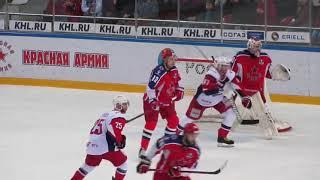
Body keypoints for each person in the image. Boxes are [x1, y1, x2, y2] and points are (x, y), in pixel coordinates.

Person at [178, 56, 245, 147]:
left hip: (218, 100)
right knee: (189, 118)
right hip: (202, 101)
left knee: (231, 113)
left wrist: (244, 97)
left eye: (226, 66)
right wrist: (220, 89)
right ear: (217, 65)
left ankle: (222, 137)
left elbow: (237, 85)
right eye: (222, 66)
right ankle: (176, 134)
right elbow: (207, 90)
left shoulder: (229, 73)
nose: (224, 69)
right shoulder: (211, 74)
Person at [231, 37, 291, 132]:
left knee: (264, 113)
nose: (258, 49)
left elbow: (268, 74)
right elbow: (231, 73)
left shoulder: (265, 58)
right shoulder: (240, 57)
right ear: (249, 46)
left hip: (258, 91)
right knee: (231, 101)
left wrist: (278, 74)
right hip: (243, 91)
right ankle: (228, 115)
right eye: (255, 46)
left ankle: (266, 122)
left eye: (259, 46)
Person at [70, 95, 129, 180]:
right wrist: (120, 141)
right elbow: (113, 131)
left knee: (87, 167)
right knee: (123, 164)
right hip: (105, 147)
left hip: (92, 145)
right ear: (118, 105)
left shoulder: (105, 115)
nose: (126, 106)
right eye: (124, 104)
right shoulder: (119, 116)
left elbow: (98, 129)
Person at [139, 48, 184, 157]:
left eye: (174, 59)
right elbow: (150, 89)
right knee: (151, 124)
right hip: (152, 100)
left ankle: (166, 146)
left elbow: (179, 83)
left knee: (174, 121)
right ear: (164, 60)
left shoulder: (174, 70)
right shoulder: (158, 72)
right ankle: (143, 150)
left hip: (167, 101)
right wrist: (154, 101)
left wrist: (180, 91)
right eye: (170, 59)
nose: (173, 61)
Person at [137, 123, 201, 180]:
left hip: (180, 177)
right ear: (186, 134)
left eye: (195, 135)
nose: (194, 137)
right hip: (163, 174)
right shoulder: (171, 140)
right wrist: (146, 162)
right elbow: (157, 145)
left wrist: (181, 171)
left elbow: (193, 167)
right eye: (192, 135)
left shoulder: (196, 150)